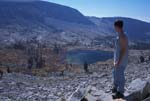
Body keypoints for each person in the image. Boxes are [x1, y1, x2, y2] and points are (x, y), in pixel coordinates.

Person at [112, 20, 128, 99]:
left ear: (117, 27)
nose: (114, 28)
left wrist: (118, 61)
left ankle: (120, 92)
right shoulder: (119, 34)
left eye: (114, 26)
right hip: (117, 59)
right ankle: (115, 88)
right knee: (115, 73)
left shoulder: (122, 36)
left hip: (121, 61)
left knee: (120, 75)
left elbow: (123, 50)